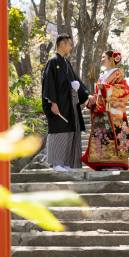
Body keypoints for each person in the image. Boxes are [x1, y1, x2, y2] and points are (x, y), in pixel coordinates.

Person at [41, 34, 90, 172]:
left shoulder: (66, 63)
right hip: (59, 104)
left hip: (69, 103)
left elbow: (76, 80)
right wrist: (53, 103)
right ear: (62, 44)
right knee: (59, 132)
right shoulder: (53, 61)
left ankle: (66, 163)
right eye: (69, 44)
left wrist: (87, 94)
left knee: (69, 131)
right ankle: (56, 164)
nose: (71, 47)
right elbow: (49, 83)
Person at [82, 49, 129, 171]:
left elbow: (124, 90)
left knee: (114, 136)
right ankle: (104, 163)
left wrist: (106, 88)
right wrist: (93, 100)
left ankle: (116, 164)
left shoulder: (118, 74)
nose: (101, 59)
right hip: (101, 110)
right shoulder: (102, 76)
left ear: (111, 59)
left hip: (113, 111)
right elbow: (98, 93)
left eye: (103, 57)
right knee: (103, 138)